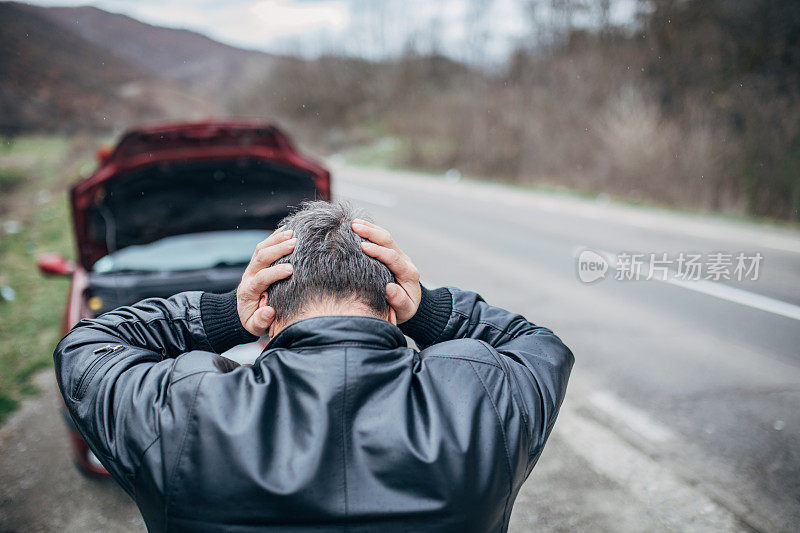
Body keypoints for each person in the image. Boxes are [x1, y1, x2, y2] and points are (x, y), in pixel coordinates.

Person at [54, 200, 573, 532]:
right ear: (394, 306)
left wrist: (221, 315)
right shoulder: (479, 396)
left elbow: (89, 345)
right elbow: (537, 344)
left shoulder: (185, 411)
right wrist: (432, 310)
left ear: (267, 310)